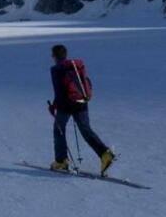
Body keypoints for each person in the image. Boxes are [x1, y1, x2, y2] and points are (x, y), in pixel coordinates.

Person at [47, 44, 115, 175]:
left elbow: (59, 92)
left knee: (59, 130)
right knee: (86, 131)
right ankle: (105, 154)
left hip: (66, 105)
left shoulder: (57, 69)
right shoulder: (76, 66)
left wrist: (53, 107)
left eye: (52, 55)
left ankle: (61, 161)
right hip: (81, 102)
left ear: (54, 56)